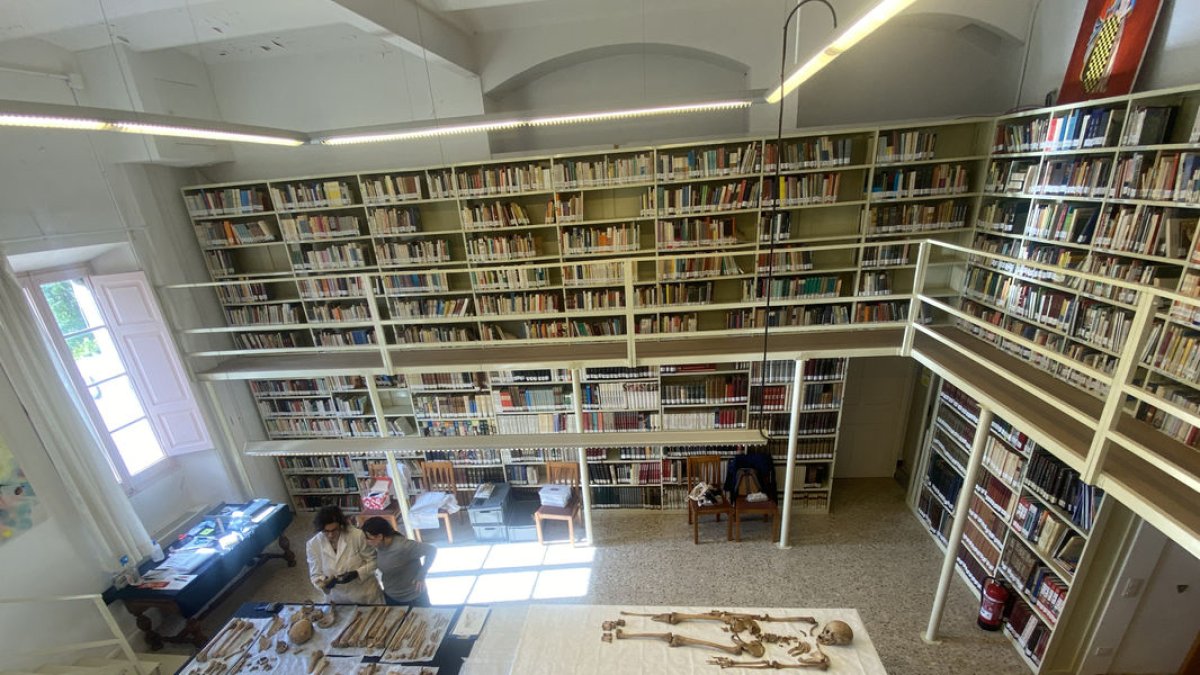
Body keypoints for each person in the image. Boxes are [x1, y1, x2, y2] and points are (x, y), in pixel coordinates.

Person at [305, 506, 384, 604]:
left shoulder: (357, 536)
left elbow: (374, 561)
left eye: (334, 530)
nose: (330, 535)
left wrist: (357, 573)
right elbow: (315, 575)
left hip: (364, 595)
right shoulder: (313, 545)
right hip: (336, 598)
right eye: (326, 531)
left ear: (341, 526)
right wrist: (323, 583)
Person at [361, 517, 438, 607]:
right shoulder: (378, 546)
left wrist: (421, 575)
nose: (366, 542)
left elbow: (431, 550)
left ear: (380, 536)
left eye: (369, 538)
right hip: (391, 595)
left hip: (413, 598)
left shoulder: (403, 546)